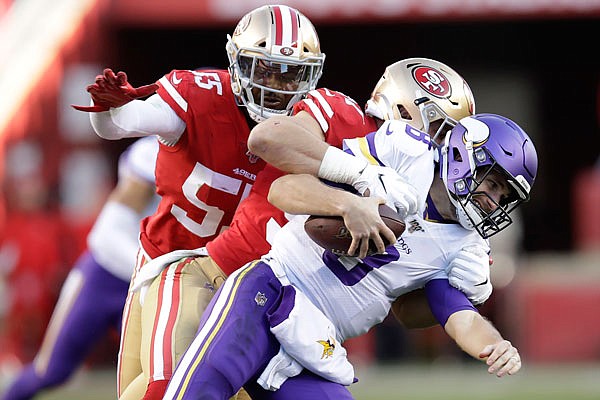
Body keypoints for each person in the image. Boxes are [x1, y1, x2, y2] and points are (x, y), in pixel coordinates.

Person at [161, 113, 538, 399]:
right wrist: (348, 201)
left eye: (504, 197)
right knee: (203, 387)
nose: (493, 202)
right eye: (491, 183)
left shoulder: (466, 246)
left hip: (319, 339)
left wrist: (494, 344)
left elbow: (456, 316)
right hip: (272, 287)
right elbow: (283, 189)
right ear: (462, 153)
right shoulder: (405, 154)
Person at [73, 5, 325, 400]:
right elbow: (120, 122)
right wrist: (108, 111)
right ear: (238, 63)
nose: (277, 85)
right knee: (145, 389)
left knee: (173, 388)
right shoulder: (202, 97)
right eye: (265, 70)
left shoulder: (315, 125)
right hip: (170, 261)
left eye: (291, 73)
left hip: (246, 283)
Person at [1, 136, 159, 400]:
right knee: (51, 371)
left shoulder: (219, 158)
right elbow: (108, 232)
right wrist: (157, 265)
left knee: (157, 375)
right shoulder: (154, 154)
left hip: (146, 283)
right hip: (106, 275)